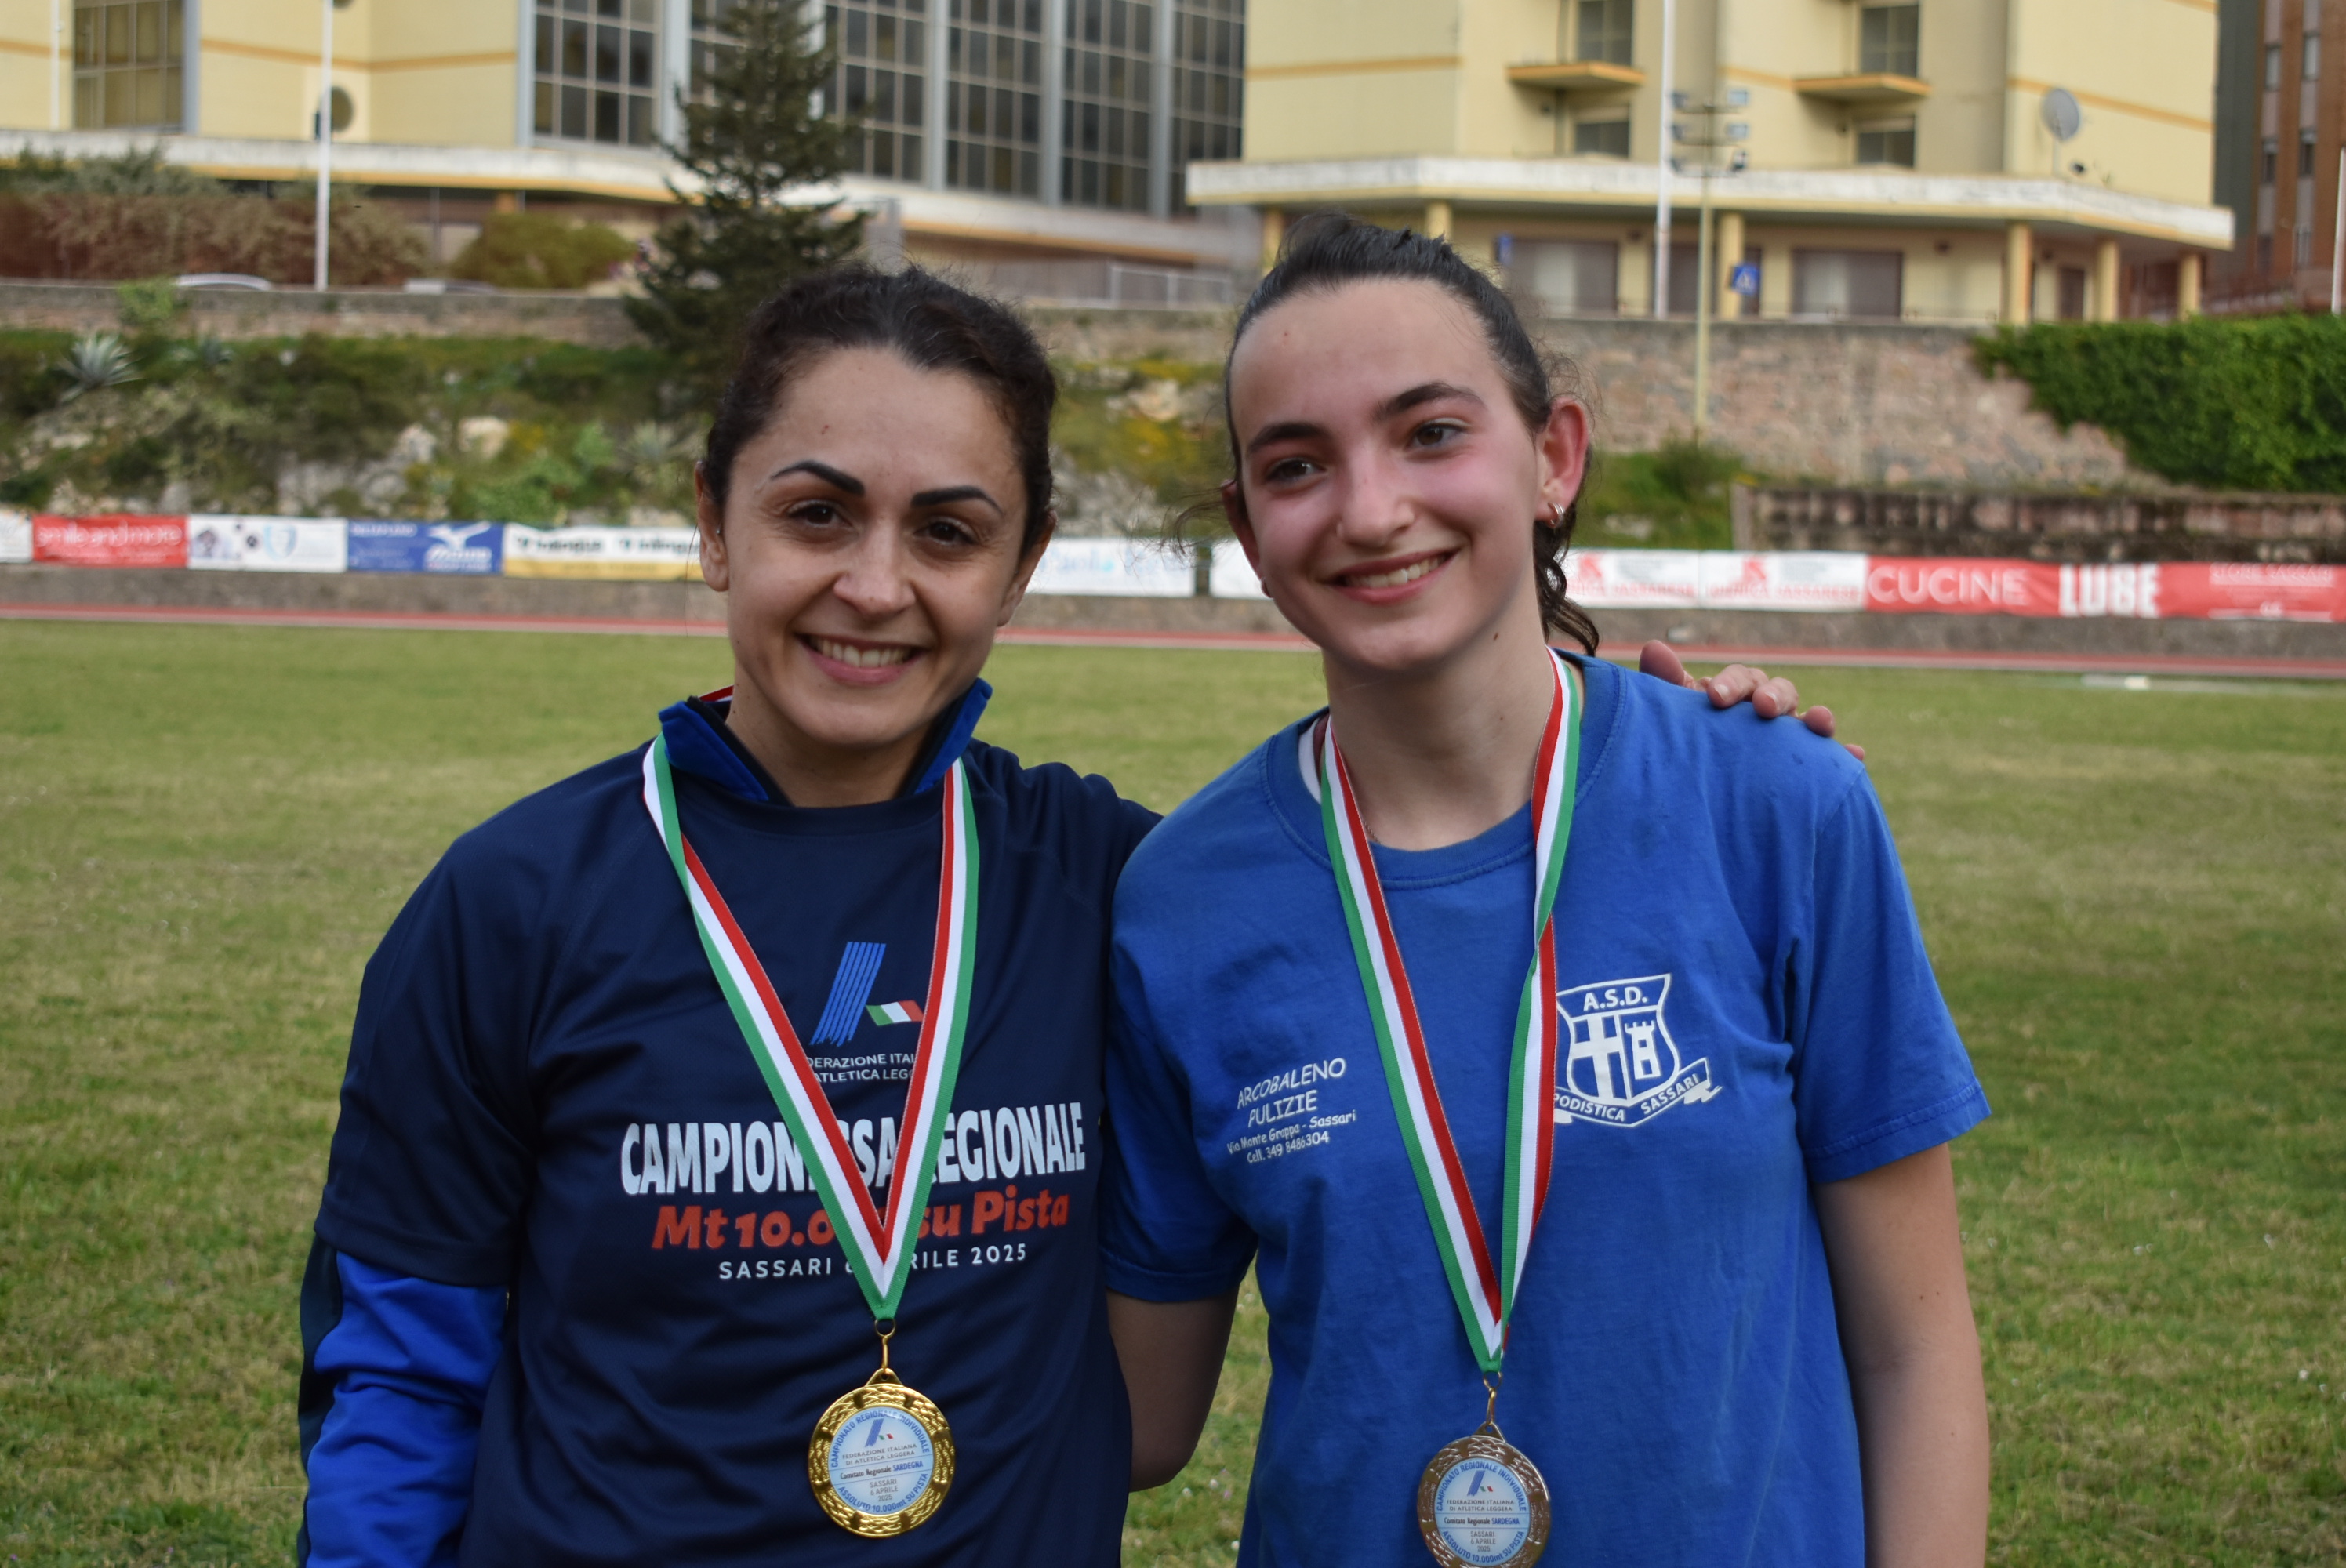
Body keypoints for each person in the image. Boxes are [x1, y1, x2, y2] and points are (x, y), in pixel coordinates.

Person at [296, 262, 1836, 1566]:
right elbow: (400, 1377)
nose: (874, 586)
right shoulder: (514, 903)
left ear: (1020, 565)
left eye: (947, 531)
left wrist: (1665, 741)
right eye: (816, 515)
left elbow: (1436, 879)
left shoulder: (1114, 882)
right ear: (714, 523)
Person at [1102, 215, 1992, 1568]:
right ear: (1249, 528)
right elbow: (1141, 1419)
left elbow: (1913, 1348)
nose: (1369, 509)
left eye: (1431, 433)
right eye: (1296, 466)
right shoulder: (1181, 901)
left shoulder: (1777, 806)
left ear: (1554, 458)